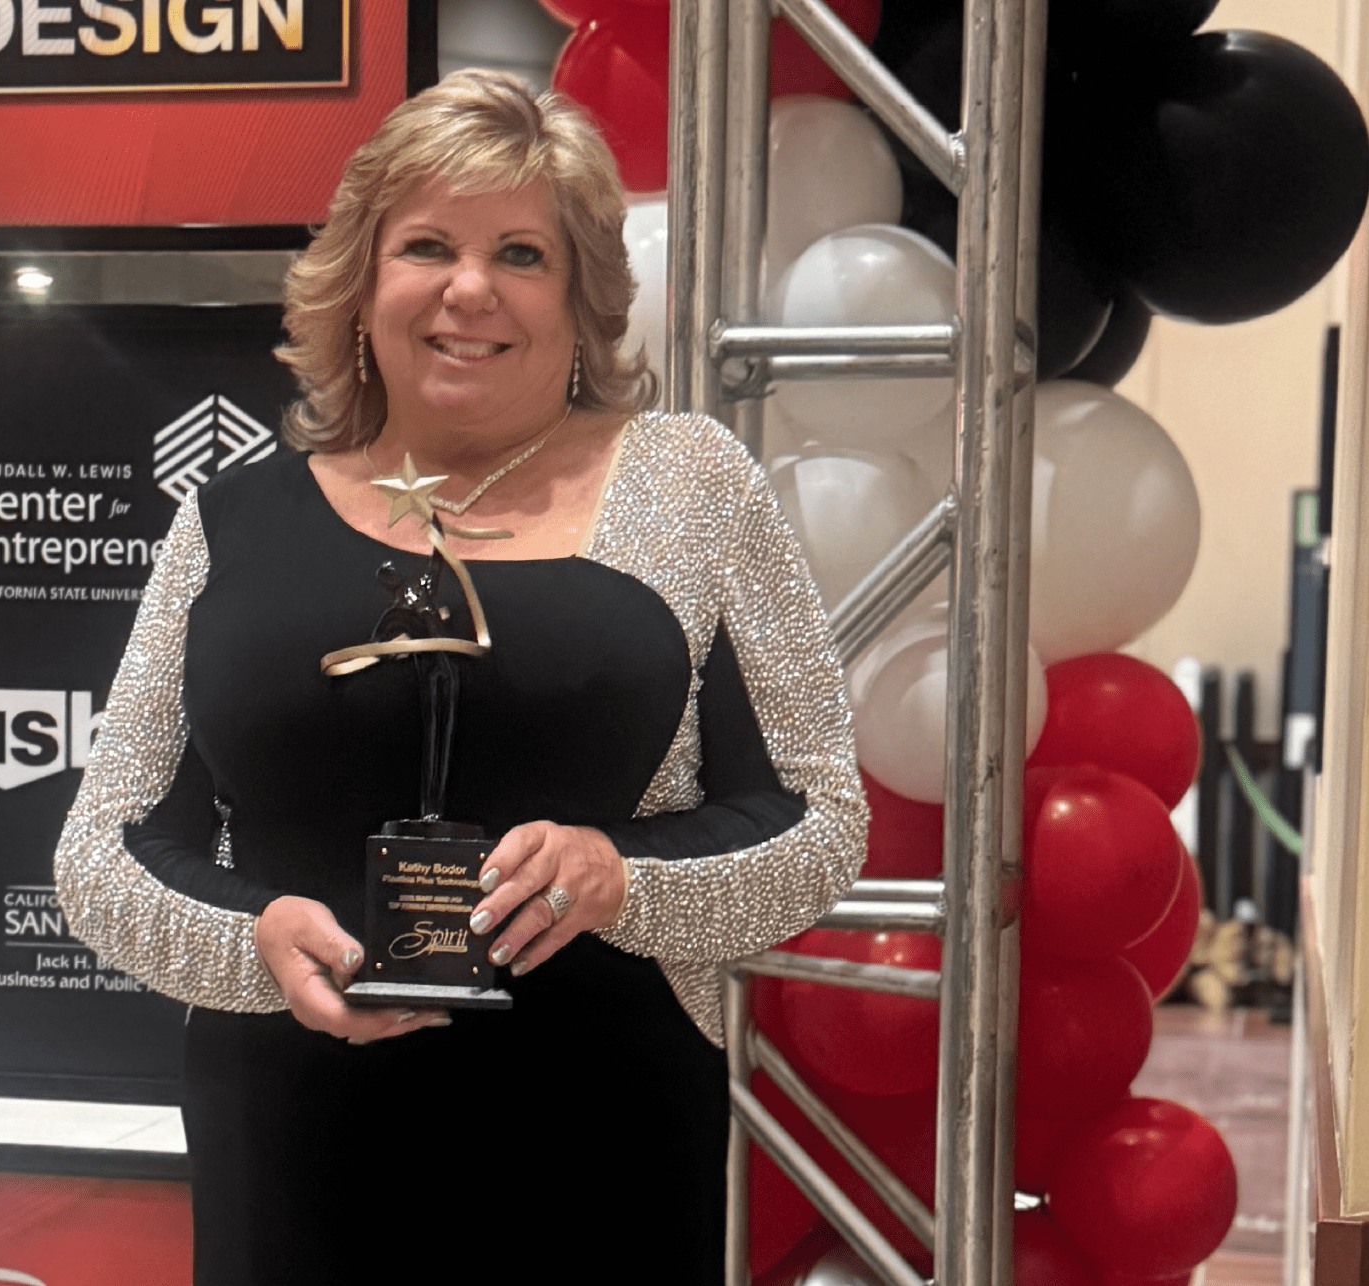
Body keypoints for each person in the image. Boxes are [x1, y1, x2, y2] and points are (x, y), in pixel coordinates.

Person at [55, 69, 865, 1285]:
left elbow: (817, 820)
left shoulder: (689, 486)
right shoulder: (226, 519)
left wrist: (621, 875)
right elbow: (103, 850)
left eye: (521, 254)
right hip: (288, 1146)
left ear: (582, 297)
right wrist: (253, 942)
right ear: (360, 279)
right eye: (427, 245)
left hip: (602, 1150)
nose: (469, 289)